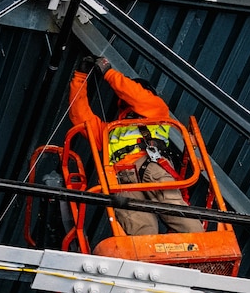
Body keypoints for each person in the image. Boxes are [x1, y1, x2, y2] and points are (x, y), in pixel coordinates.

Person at [68, 55, 203, 237]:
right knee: (141, 231)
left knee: (176, 212)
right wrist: (80, 76)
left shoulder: (157, 109)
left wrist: (109, 73)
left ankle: (205, 250)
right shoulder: (110, 130)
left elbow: (136, 96)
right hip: (120, 179)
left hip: (150, 165)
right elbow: (79, 115)